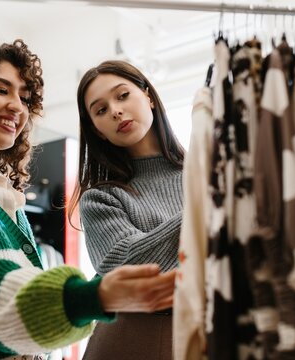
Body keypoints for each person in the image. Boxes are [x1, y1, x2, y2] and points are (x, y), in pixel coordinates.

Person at [0, 34, 177, 359]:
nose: (16, 107)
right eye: (1, 90)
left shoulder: (9, 203)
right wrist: (91, 297)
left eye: (24, 97)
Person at [69, 60, 185, 360]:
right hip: (133, 340)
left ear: (148, 96)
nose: (116, 111)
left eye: (122, 96)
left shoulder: (209, 175)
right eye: (101, 110)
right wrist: (203, 210)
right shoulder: (99, 197)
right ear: (98, 131)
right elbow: (125, 265)